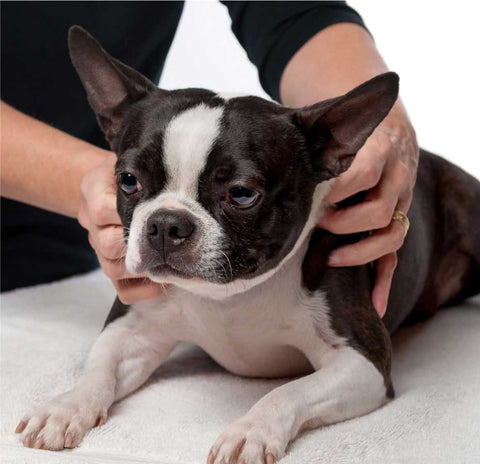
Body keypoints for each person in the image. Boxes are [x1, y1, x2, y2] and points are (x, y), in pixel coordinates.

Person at [1, 2, 418, 318]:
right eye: (131, 183)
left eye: (238, 193)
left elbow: (293, 13)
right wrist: (91, 181)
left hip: (68, 259)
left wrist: (380, 135)